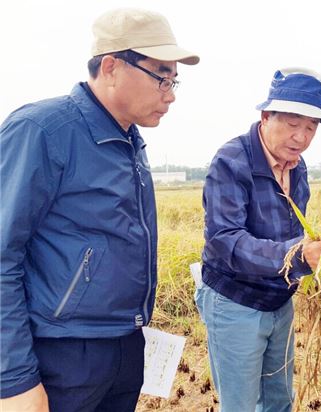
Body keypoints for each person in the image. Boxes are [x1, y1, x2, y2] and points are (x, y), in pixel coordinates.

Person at [0, 8, 199, 412]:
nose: (171, 92)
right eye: (161, 75)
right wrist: (14, 378)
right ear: (111, 66)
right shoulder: (43, 131)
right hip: (62, 352)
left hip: (125, 343)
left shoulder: (129, 140)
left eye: (174, 79)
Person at [195, 68, 321, 412]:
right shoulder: (232, 161)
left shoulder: (297, 167)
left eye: (310, 128)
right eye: (291, 123)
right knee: (240, 405)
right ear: (266, 116)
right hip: (235, 301)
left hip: (278, 301)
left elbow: (292, 231)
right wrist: (298, 258)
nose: (301, 137)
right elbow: (226, 241)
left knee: (278, 401)